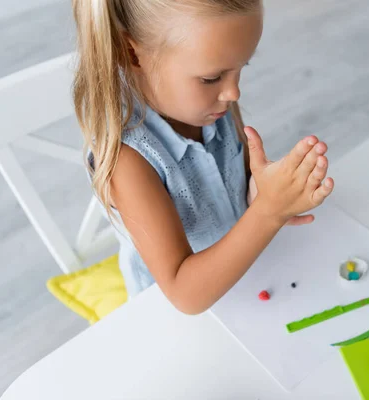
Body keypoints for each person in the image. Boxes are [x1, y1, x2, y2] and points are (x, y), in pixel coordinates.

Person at [71, 0, 334, 314]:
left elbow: (236, 180)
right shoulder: (126, 160)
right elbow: (184, 294)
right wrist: (267, 213)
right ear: (132, 54)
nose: (233, 92)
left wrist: (261, 191)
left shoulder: (209, 105)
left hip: (249, 283)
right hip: (170, 319)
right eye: (212, 77)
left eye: (241, 68)